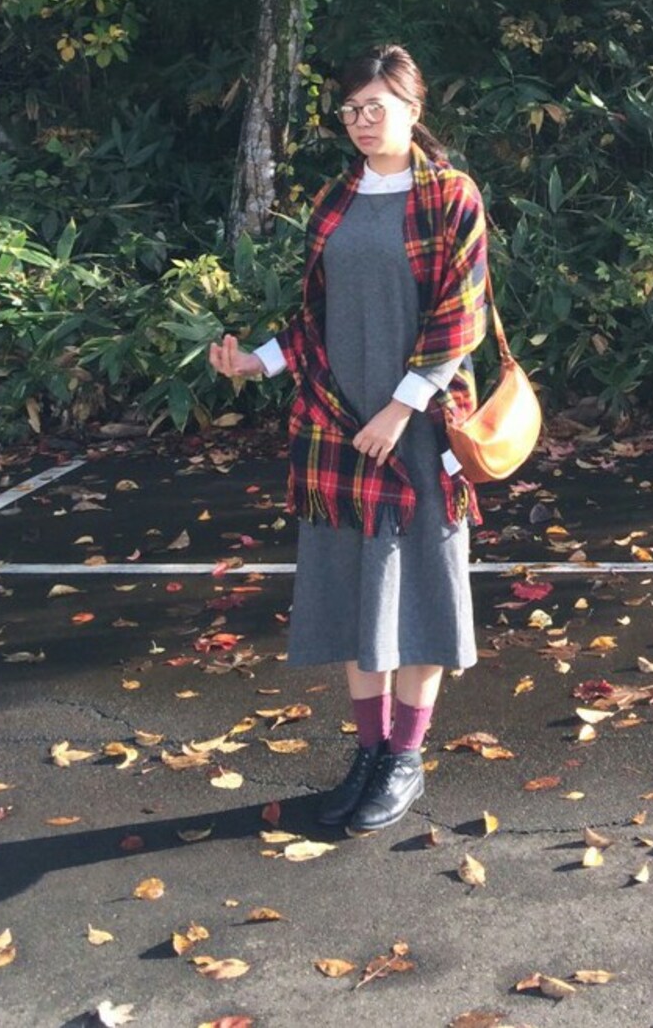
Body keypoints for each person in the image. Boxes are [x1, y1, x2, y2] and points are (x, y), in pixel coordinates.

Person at [209, 44, 489, 837]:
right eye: (351, 110)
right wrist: (257, 362)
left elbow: (460, 316)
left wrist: (401, 410)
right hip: (336, 424)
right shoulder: (336, 199)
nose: (363, 122)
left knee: (422, 586)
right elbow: (316, 319)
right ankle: (368, 753)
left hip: (419, 426)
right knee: (351, 587)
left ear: (413, 110)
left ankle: (406, 755)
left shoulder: (451, 196)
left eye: (377, 108)